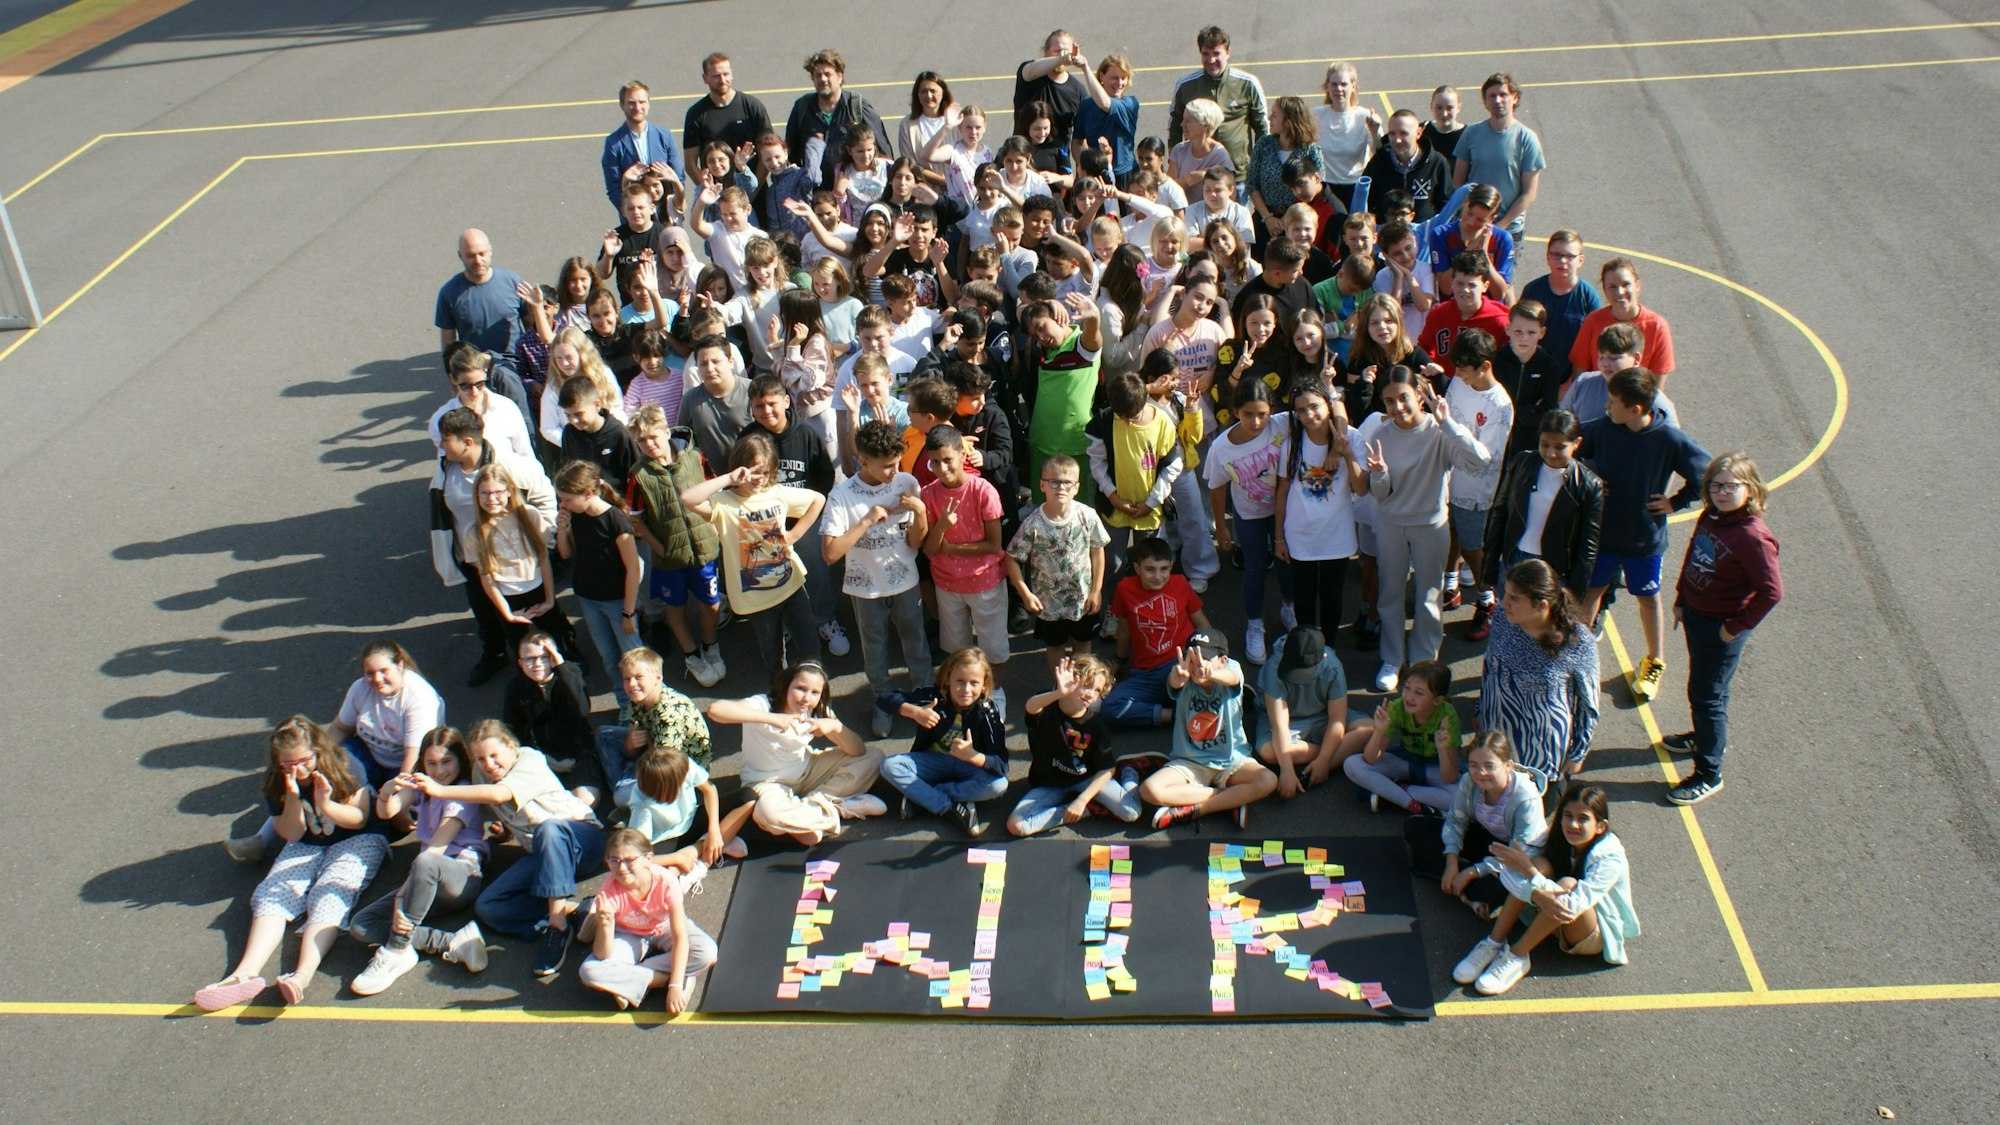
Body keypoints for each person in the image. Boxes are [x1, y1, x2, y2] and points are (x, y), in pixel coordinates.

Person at [195, 718, 385, 1011]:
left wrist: (325, 804)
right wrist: (294, 798)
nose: (297, 769)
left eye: (304, 761)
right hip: (306, 842)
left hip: (359, 838)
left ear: (319, 751)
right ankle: (243, 974)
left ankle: (301, 976)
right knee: (273, 894)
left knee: (330, 896)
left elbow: (358, 818)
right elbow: (291, 833)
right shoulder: (278, 780)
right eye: (288, 764)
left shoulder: (345, 764)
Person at [1578, 368, 1711, 702]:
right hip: (1604, 536)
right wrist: (1588, 476)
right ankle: (1577, 659)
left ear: (1636, 409)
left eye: (1612, 402)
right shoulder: (1606, 429)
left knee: (1648, 598)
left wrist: (1676, 501)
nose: (1606, 406)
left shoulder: (1669, 439)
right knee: (1591, 594)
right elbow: (1573, 447)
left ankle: (1655, 660)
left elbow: (1706, 474)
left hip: (1644, 541)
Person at [1357, 367, 1491, 691]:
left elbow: (1481, 460)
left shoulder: (1439, 432)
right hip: (1391, 525)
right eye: (1389, 401)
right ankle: (1393, 658)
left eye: (1403, 398)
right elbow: (1380, 493)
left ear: (1418, 394)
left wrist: (1449, 424)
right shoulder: (1379, 435)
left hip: (1431, 526)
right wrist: (1379, 474)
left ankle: (1422, 662)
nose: (1397, 407)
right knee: (1390, 594)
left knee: (1429, 597)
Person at [1664, 453, 1783, 806]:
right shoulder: (1713, 516)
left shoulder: (1752, 536)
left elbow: (1772, 591)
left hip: (1720, 627)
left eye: (1731, 486)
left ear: (1750, 489)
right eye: (1716, 485)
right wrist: (1681, 598)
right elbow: (1694, 554)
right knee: (1705, 690)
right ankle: (1704, 737)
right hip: (1698, 616)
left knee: (1707, 695)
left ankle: (1708, 772)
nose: (1722, 492)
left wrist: (1736, 626)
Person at [453, 720, 605, 982]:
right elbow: (517, 809)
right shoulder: (483, 776)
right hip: (543, 854)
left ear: (511, 749)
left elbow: (501, 795)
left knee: (548, 829)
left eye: (494, 755)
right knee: (488, 906)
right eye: (479, 758)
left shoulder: (530, 760)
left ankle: (557, 929)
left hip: (582, 840)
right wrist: (508, 832)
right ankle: (573, 910)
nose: (488, 764)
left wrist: (439, 790)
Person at [346, 726, 490, 996]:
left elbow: (436, 850)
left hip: (460, 877)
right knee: (362, 925)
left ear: (460, 761)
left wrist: (401, 901)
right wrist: (388, 791)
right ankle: (454, 941)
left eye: (447, 762)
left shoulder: (463, 793)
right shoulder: (425, 787)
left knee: (424, 862)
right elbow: (386, 811)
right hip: (425, 880)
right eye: (431, 763)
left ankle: (398, 948)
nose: (440, 771)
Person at [1454, 785, 1639, 995]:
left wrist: (1532, 876)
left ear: (1600, 826)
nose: (1573, 824)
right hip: (1554, 913)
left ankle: (1517, 956)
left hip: (1590, 933)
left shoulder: (1610, 859)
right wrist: (1478, 870)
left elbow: (1571, 906)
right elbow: (1512, 868)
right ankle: (1492, 943)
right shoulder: (1558, 837)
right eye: (1567, 816)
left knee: (1566, 885)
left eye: (1583, 819)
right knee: (1540, 863)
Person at [429, 407, 558, 687]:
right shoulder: (444, 467)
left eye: (445, 440)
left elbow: (544, 496)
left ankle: (562, 661)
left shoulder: (509, 466)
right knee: (487, 615)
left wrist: (544, 539)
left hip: (516, 564)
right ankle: (497, 655)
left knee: (543, 616)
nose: (440, 445)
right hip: (474, 559)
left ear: (467, 442)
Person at [822, 420, 934, 737]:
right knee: (875, 649)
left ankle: (924, 694)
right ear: (863, 460)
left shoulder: (907, 482)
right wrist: (866, 521)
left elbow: (916, 542)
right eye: (887, 467)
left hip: (905, 582)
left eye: (897, 463)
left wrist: (921, 513)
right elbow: (830, 554)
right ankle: (884, 701)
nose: (894, 473)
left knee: (917, 642)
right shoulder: (842, 496)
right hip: (865, 589)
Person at [681, 431, 825, 673]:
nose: (760, 479)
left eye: (766, 472)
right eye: (753, 471)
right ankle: (780, 702)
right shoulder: (723, 503)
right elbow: (688, 498)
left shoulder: (777, 493)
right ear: (739, 468)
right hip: (755, 601)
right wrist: (729, 478)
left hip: (791, 587)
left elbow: (818, 499)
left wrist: (794, 535)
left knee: (811, 651)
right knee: (773, 660)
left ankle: (818, 700)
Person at [712, 661, 887, 846]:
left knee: (874, 757)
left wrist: (835, 727)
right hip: (766, 782)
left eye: (814, 692)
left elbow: (858, 750)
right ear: (787, 685)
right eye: (801, 688)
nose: (806, 698)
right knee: (770, 815)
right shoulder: (763, 704)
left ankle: (819, 806)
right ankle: (835, 809)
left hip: (808, 769)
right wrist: (773, 718)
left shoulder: (818, 710)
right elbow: (716, 710)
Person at [1478, 560, 1601, 808]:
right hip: (1498, 736)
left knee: (1532, 818)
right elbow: (1490, 667)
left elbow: (1589, 704)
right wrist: (1481, 711)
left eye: (1514, 598)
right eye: (1506, 594)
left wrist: (1578, 752)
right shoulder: (1504, 618)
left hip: (1541, 751)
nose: (1504, 603)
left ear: (1541, 605)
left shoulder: (1578, 642)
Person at [741, 372, 846, 656]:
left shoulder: (806, 434)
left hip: (805, 520)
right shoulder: (748, 437)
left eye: (773, 403)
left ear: (787, 401)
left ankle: (826, 619)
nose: (767, 411)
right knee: (775, 575)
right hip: (765, 523)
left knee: (817, 571)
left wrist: (809, 515)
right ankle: (787, 625)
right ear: (751, 407)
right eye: (759, 406)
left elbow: (824, 476)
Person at [626, 407, 725, 687]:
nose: (649, 445)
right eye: (642, 441)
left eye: (653, 437)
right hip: (668, 558)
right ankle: (692, 654)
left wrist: (714, 528)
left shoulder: (696, 457)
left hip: (704, 550)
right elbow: (635, 518)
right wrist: (658, 546)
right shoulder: (638, 475)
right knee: (675, 606)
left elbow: (715, 492)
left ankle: (710, 646)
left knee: (711, 604)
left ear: (667, 431)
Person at [1408, 731, 1547, 919]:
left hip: (1512, 854)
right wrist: (1451, 861)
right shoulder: (1469, 781)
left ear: (1508, 766)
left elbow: (1519, 855)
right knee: (1414, 828)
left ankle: (1459, 882)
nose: (1481, 773)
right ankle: (1463, 888)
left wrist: (1472, 872)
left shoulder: (1526, 798)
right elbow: (1456, 819)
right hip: (1484, 838)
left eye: (1489, 766)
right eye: (1474, 765)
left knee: (1501, 888)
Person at [1145, 630, 1276, 828]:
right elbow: (1174, 683)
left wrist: (1211, 673)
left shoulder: (1231, 670)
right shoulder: (1182, 673)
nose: (1197, 664)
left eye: (1204, 658)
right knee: (1149, 790)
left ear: (1222, 660)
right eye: (1192, 657)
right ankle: (1230, 800)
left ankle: (1197, 809)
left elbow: (1233, 679)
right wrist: (1177, 679)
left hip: (1232, 761)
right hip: (1190, 762)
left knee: (1268, 780)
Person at [577, 828, 717, 1012]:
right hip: (630, 934)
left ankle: (632, 979)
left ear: (648, 859)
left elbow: (680, 935)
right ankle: (660, 980)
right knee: (588, 971)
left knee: (707, 952)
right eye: (614, 860)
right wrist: (605, 923)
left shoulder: (665, 881)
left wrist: (674, 988)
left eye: (629, 860)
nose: (622, 867)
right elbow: (603, 954)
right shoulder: (608, 891)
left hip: (664, 926)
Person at [1206, 378, 1294, 663]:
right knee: (1254, 569)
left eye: (1262, 414)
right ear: (1234, 412)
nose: (1256, 422)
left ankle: (1289, 607)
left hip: (1285, 511)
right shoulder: (1222, 447)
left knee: (1287, 562)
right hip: (1250, 515)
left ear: (1272, 410)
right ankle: (1255, 624)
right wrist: (1221, 525)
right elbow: (1216, 487)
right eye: (1248, 414)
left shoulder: (1282, 424)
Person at [879, 647, 1010, 836]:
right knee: (889, 765)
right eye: (960, 681)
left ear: (984, 684)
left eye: (974, 683)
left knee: (999, 785)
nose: (966, 690)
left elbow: (1002, 764)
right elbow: (885, 699)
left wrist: (975, 757)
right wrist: (914, 712)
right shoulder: (935, 697)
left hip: (968, 766)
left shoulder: (988, 711)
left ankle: (923, 796)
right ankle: (949, 807)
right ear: (948, 679)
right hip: (933, 760)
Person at [468, 461, 584, 671]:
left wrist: (549, 600)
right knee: (520, 646)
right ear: (476, 494)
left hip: (538, 589)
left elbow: (543, 560)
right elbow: (487, 578)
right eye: (484, 493)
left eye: (497, 492)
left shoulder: (529, 515)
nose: (491, 499)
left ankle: (570, 671)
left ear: (510, 491)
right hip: (509, 598)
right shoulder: (474, 532)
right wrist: (507, 613)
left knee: (559, 635)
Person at [1273, 380, 1366, 643]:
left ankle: (1329, 650)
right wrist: (1278, 537)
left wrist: (1345, 453)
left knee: (1331, 598)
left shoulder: (1352, 438)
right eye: (1300, 410)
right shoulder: (1291, 445)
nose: (1308, 415)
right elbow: (1281, 492)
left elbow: (1361, 488)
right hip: (1300, 535)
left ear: (1329, 405)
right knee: (1303, 599)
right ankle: (1307, 650)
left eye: (1314, 406)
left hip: (1337, 536)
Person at [1008, 656, 1139, 835]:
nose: (1091, 694)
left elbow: (1106, 769)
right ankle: (1083, 811)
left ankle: (1131, 772)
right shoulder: (1047, 706)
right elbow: (1031, 707)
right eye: (1086, 685)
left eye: (1097, 690)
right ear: (1070, 681)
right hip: (1049, 783)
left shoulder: (1095, 724)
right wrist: (1058, 693)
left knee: (1131, 811)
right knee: (1016, 826)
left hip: (1085, 779)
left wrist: (1082, 799)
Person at [1440, 329, 1515, 639]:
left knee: (1473, 549)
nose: (1457, 374)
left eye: (1463, 368)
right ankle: (1450, 582)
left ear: (1484, 366)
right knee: (1450, 536)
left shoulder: (1500, 406)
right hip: (1448, 480)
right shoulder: (1459, 382)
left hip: (1475, 491)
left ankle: (1487, 601)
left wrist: (1450, 426)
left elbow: (1485, 457)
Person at [1006, 453, 1110, 675]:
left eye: (1067, 482)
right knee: (1054, 645)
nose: (1061, 487)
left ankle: (1083, 683)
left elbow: (1097, 551)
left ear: (1076, 487)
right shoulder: (1032, 523)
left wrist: (1097, 591)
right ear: (1042, 485)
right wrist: (1025, 594)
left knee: (1083, 643)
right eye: (1054, 481)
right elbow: (1012, 558)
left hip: (1081, 600)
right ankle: (1060, 685)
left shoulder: (1087, 515)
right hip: (1048, 604)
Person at [1482, 409, 1604, 599]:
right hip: (1514, 560)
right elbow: (1499, 515)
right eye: (1545, 444)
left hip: (1552, 571)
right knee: (1508, 620)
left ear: (1576, 444)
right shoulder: (1522, 463)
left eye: (1559, 447)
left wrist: (1575, 593)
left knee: (1541, 627)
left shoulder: (1588, 485)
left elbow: (1587, 546)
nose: (1551, 453)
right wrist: (1489, 569)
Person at [922, 426, 1011, 683]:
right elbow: (928, 548)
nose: (942, 469)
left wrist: (951, 549)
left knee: (992, 645)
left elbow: (994, 545)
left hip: (985, 582)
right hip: (947, 584)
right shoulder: (928, 494)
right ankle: (964, 693)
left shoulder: (983, 491)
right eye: (935, 462)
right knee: (955, 649)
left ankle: (994, 692)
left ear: (962, 455)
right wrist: (941, 526)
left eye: (948, 460)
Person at [554, 461, 645, 705]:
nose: (562, 504)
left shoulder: (615, 521)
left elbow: (633, 569)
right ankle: (626, 703)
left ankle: (650, 702)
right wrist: (562, 529)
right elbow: (565, 554)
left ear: (588, 493)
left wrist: (628, 611)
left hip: (618, 602)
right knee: (608, 655)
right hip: (589, 598)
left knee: (633, 656)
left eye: (566, 499)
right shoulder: (577, 515)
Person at [1101, 537, 1213, 726]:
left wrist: (1212, 657)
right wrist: (1120, 661)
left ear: (1171, 566)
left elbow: (1202, 624)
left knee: (1213, 686)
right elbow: (1124, 628)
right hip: (1146, 673)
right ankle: (1176, 715)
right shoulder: (1124, 589)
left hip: (1181, 664)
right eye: (1150, 569)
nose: (1158, 576)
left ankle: (1193, 705)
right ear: (1137, 568)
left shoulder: (1180, 584)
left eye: (1164, 569)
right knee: (1110, 707)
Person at [1255, 626, 1366, 797]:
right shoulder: (1274, 666)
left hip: (1323, 713)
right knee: (1268, 752)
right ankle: (1338, 750)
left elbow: (1337, 719)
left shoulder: (1333, 666)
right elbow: (1280, 726)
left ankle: (1318, 764)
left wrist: (1324, 760)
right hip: (1290, 721)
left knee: (1369, 729)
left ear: (1322, 658)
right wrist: (1287, 769)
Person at [1344, 659, 1460, 814]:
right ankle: (1412, 804)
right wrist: (1378, 731)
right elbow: (1370, 759)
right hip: (1405, 761)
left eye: (1419, 693)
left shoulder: (1448, 716)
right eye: (1407, 688)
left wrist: (1444, 750)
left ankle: (1392, 792)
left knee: (1461, 795)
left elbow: (1450, 778)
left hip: (1434, 767)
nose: (1409, 697)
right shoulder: (1398, 707)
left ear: (1437, 700)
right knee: (1352, 764)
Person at [1025, 293, 1105, 501]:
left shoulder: (1082, 347)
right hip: (1041, 443)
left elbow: (1094, 336)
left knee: (1079, 511)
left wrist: (1093, 317)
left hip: (1076, 446)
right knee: (1044, 510)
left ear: (1058, 317)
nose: (1041, 337)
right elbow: (1021, 311)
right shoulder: (1045, 348)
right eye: (1035, 335)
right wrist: (1049, 301)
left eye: (1042, 328)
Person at [502, 631, 599, 794]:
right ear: (520, 662)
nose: (537, 663)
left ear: (555, 656)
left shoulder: (570, 672)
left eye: (544, 657)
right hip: (543, 757)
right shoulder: (516, 688)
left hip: (580, 752)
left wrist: (561, 668)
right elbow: (512, 727)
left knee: (586, 799)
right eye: (529, 659)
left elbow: (582, 709)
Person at [1167, 25, 1267, 180]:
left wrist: (1260, 166)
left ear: (1228, 53)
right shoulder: (1186, 85)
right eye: (1205, 54)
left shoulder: (1248, 84)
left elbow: (1262, 128)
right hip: (1194, 177)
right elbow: (1174, 126)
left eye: (1216, 53)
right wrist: (1174, 164)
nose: (1211, 59)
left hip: (1238, 176)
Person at [1452, 73, 1544, 238]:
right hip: (1471, 228)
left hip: (1508, 231)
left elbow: (1529, 193)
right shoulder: (1471, 133)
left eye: (1503, 95)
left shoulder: (1527, 139)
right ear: (1485, 102)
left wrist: (1500, 226)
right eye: (1492, 96)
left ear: (1514, 98)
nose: (1497, 100)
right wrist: (1472, 217)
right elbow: (1458, 182)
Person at [785, 48, 892, 188]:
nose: (823, 79)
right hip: (816, 197)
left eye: (828, 74)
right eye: (818, 75)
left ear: (840, 76)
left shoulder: (858, 107)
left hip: (853, 195)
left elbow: (884, 153)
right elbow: (791, 154)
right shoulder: (802, 108)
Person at [1567, 257, 1675, 381]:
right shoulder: (1593, 321)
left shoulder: (1657, 326)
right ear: (1604, 290)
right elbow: (1580, 372)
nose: (1619, 292)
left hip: (1636, 398)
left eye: (1626, 284)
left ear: (1637, 286)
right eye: (1612, 287)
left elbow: (1657, 385)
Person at [436, 229, 529, 364]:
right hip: (475, 369)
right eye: (470, 255)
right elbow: (448, 345)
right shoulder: (449, 293)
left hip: (515, 365)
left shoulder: (514, 282)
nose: (478, 260)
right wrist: (454, 379)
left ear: (490, 250)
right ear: (460, 255)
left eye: (482, 254)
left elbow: (531, 329)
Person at [428, 345, 534, 461]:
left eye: (480, 384)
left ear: (485, 374)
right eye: (466, 386)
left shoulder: (506, 408)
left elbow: (525, 454)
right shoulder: (440, 418)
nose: (474, 392)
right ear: (453, 379)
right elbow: (444, 464)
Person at [1490, 299, 1565, 460]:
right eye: (1518, 331)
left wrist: (1511, 415)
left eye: (1531, 333)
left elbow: (1547, 409)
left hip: (1528, 443)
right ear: (1508, 329)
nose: (1524, 338)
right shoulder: (1497, 360)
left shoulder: (1548, 366)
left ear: (1542, 333)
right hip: (1494, 437)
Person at [1519, 229, 1603, 371]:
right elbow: (1521, 332)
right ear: (1548, 257)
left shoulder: (1589, 297)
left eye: (1570, 256)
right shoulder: (1532, 291)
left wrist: (1574, 380)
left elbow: (1595, 343)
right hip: (1535, 370)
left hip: (1573, 375)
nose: (1563, 261)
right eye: (1557, 255)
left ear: (1580, 260)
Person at [1245, 96, 1325, 244]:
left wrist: (1285, 219)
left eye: (1274, 115)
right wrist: (1268, 218)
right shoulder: (1264, 144)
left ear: (1289, 121)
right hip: (1264, 220)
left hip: (1297, 224)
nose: (1269, 118)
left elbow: (1317, 188)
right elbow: (1252, 184)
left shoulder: (1310, 150)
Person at [601, 80, 686, 215]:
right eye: (631, 103)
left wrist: (673, 207)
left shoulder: (664, 136)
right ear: (622, 105)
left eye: (642, 102)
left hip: (665, 215)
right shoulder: (613, 143)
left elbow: (679, 177)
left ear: (648, 103)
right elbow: (613, 189)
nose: (637, 107)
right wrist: (630, 213)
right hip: (635, 219)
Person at [679, 333, 753, 471]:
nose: (710, 369)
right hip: (712, 482)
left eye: (716, 361)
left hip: (753, 476)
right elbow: (682, 443)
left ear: (731, 361)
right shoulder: (690, 400)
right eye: (703, 364)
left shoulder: (752, 391)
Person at [1365, 109, 1453, 223]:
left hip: (1422, 237)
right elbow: (1367, 203)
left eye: (1403, 133)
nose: (1397, 140)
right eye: (1392, 134)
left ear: (1418, 133)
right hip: (1387, 236)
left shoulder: (1437, 163)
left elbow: (1446, 203)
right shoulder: (1378, 162)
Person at [1312, 61, 1381, 199]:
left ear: (1353, 87)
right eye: (1334, 84)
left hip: (1355, 187)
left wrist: (1375, 132)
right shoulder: (1316, 115)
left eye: (1344, 84)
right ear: (1327, 87)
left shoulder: (1364, 116)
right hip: (1324, 188)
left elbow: (1379, 153)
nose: (1338, 89)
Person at [684, 52, 772, 154]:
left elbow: (768, 148)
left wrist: (755, 171)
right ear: (705, 78)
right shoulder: (695, 113)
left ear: (731, 74)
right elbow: (690, 163)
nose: (722, 80)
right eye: (716, 76)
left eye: (726, 74)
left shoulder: (752, 106)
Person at [1075, 54, 1140, 185]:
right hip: (1095, 175)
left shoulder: (1130, 104)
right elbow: (1077, 142)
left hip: (1125, 175)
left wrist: (1085, 68)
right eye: (1114, 78)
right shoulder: (1087, 105)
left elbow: (1104, 104)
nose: (1120, 83)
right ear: (1101, 77)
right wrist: (1084, 165)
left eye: (1123, 78)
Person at [1014, 29, 1087, 148]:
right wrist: (1060, 60)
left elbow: (1080, 140)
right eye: (1057, 51)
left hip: (1057, 161)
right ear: (1045, 51)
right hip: (1023, 156)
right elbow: (1030, 71)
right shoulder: (1031, 74)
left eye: (1066, 52)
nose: (1063, 55)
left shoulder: (1077, 90)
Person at [1421, 84, 1465, 161]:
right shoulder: (1422, 131)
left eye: (1449, 108)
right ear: (1431, 107)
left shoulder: (1467, 135)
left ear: (1459, 108)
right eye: (1439, 108)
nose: (1444, 114)